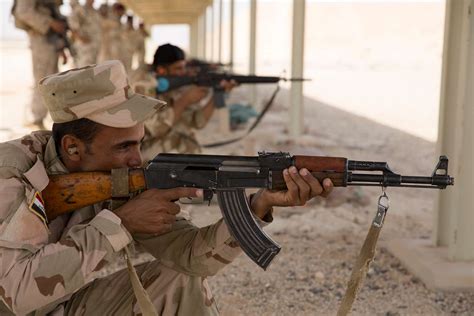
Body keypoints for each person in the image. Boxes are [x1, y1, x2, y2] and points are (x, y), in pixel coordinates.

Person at [0, 60, 333, 315]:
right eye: (124, 147)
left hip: (60, 306)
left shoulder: (121, 179)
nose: (137, 158)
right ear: (73, 148)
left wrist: (257, 205)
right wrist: (121, 225)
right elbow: (16, 292)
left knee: (180, 278)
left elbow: (191, 257)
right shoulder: (11, 174)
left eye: (139, 143)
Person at [132, 43, 230, 160]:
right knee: (182, 139)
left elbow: (197, 122)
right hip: (141, 151)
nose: (183, 72)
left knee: (188, 138)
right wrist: (184, 101)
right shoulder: (143, 86)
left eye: (184, 67)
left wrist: (218, 94)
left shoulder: (175, 89)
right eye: (178, 68)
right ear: (161, 70)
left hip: (163, 145)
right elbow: (153, 129)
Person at [13, 0, 68, 129]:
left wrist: (61, 48)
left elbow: (56, 19)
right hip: (40, 39)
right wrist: (49, 23)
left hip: (51, 42)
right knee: (42, 79)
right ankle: (37, 119)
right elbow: (23, 11)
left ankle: (49, 118)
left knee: (53, 80)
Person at [68, 0, 102, 67]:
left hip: (95, 46)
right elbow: (73, 25)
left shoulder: (95, 12)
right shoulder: (80, 10)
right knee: (83, 68)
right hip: (84, 46)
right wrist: (81, 38)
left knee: (92, 68)